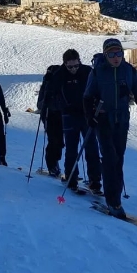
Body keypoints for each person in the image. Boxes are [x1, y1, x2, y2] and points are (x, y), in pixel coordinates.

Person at [83, 37, 137, 217]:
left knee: (119, 158)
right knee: (110, 158)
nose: (116, 57)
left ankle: (116, 198)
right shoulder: (97, 72)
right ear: (105, 55)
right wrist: (90, 116)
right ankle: (113, 201)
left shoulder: (128, 70)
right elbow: (87, 97)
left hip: (122, 120)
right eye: (111, 54)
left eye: (119, 53)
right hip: (103, 120)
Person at [53, 48, 102, 193]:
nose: (74, 69)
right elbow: (54, 94)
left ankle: (95, 181)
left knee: (92, 147)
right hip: (69, 115)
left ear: (79, 61)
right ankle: (71, 178)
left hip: (87, 115)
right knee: (71, 148)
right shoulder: (60, 74)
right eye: (70, 67)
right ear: (65, 64)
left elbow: (96, 89)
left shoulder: (87, 71)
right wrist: (62, 106)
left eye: (76, 65)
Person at [37, 64, 64, 176]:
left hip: (60, 115)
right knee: (53, 140)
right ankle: (52, 165)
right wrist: (47, 99)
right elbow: (39, 104)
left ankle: (55, 162)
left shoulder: (61, 85)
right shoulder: (46, 85)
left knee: (60, 142)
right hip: (49, 115)